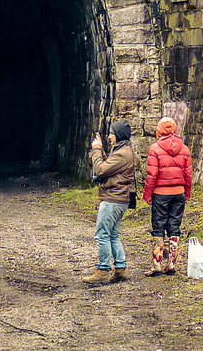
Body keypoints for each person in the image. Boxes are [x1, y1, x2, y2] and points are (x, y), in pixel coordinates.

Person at [82, 119, 136, 284]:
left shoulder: (122, 153)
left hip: (112, 199)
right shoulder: (122, 151)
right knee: (112, 234)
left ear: (118, 135)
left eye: (112, 133)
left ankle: (103, 270)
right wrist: (103, 153)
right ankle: (120, 268)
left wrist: (97, 151)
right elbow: (109, 167)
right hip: (119, 198)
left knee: (102, 234)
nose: (109, 137)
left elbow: (101, 170)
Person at [142, 117, 193, 276]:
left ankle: (157, 265)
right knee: (174, 227)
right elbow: (188, 175)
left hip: (161, 194)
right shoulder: (184, 149)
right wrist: (187, 193)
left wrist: (147, 194)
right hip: (178, 193)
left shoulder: (155, 148)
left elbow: (152, 175)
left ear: (159, 131)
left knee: (158, 227)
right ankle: (171, 264)